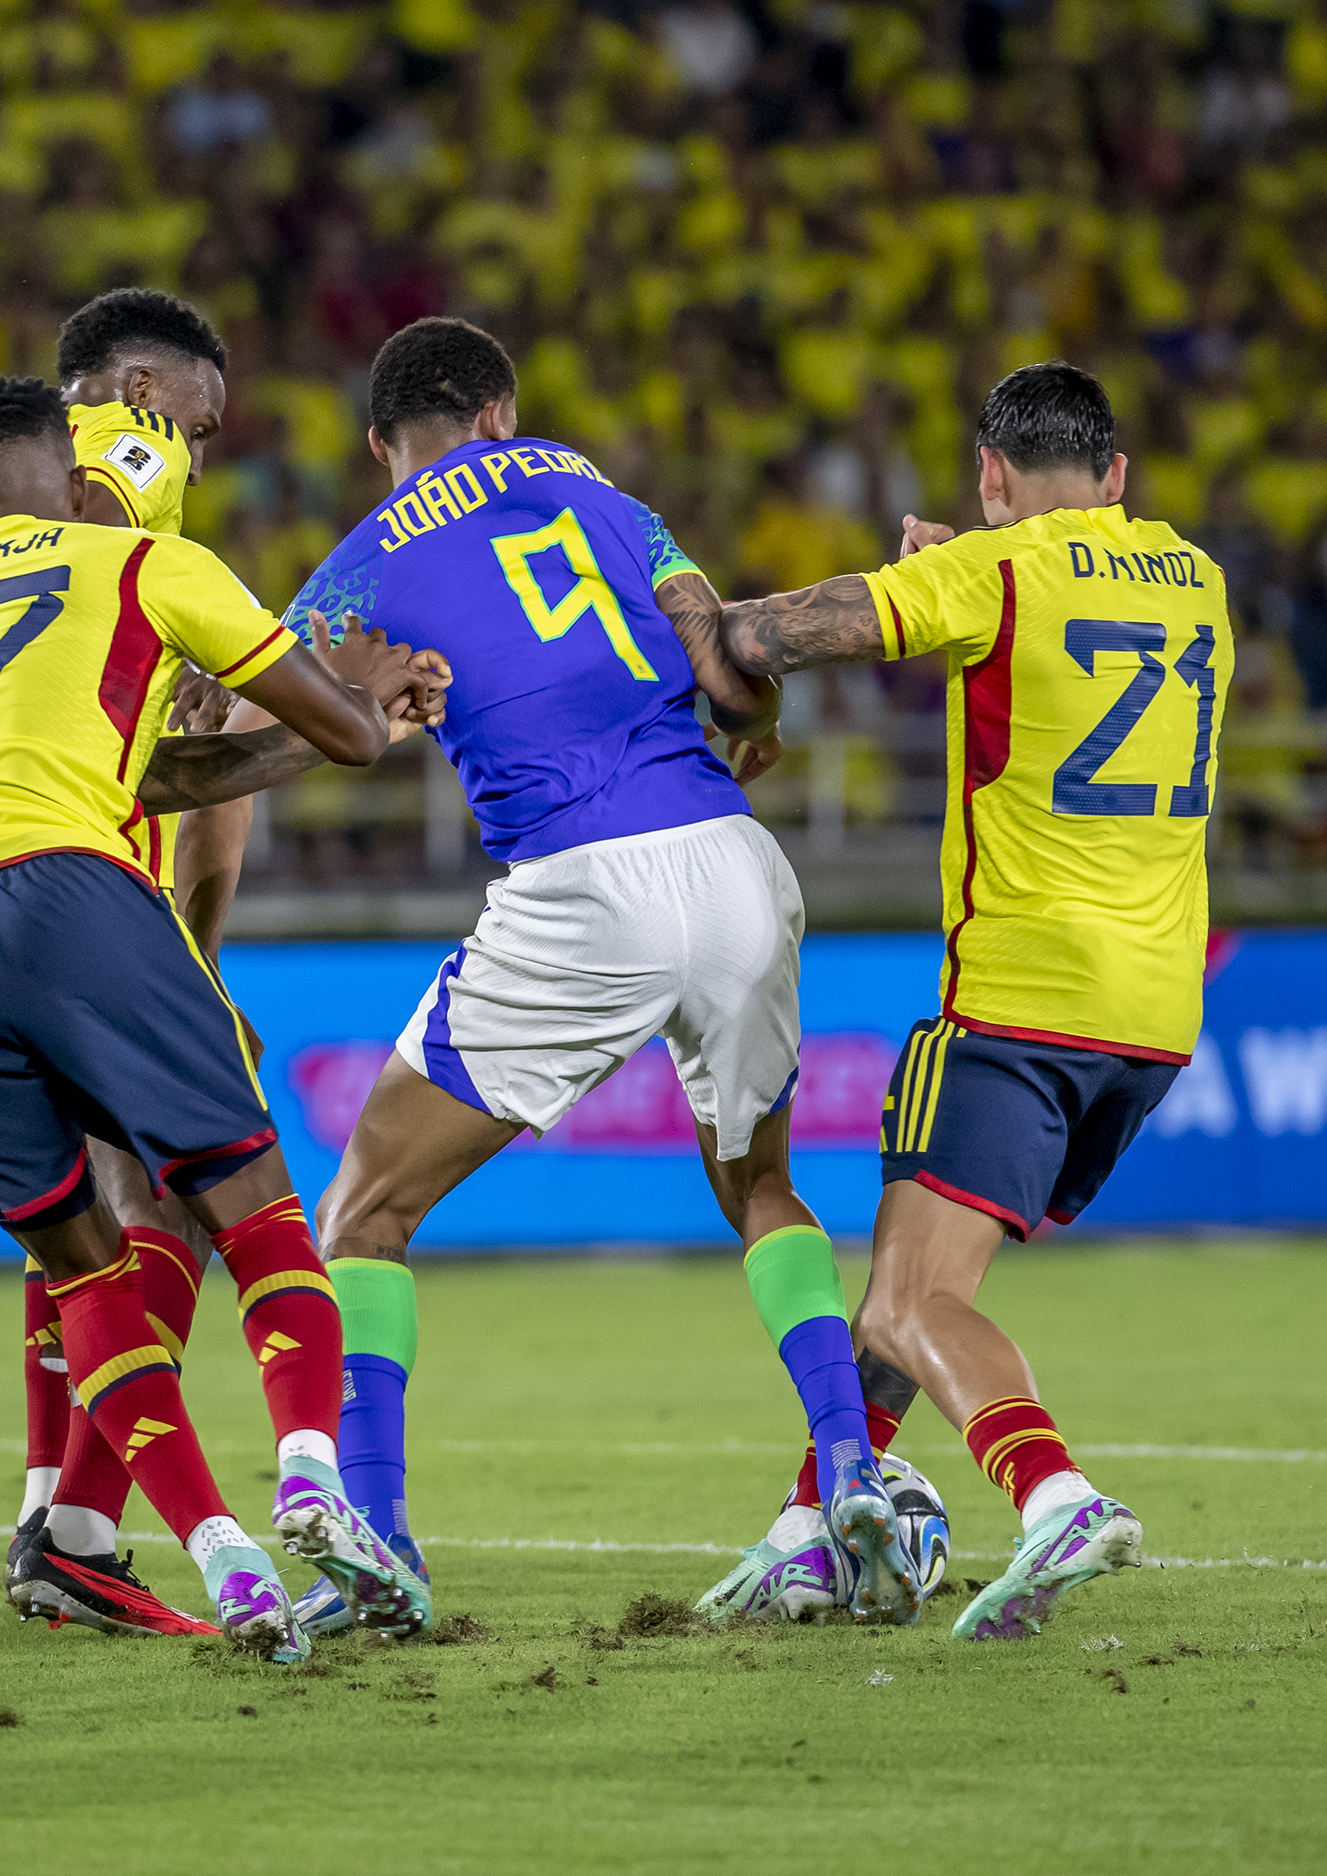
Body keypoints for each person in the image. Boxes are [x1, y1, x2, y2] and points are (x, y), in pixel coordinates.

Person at [272, 317, 925, 1633]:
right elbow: (734, 678)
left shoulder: (357, 566)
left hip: (580, 881)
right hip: (734, 861)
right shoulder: (610, 500)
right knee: (763, 1187)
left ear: (381, 443)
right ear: (502, 410)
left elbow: (270, 718)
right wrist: (768, 728)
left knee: (362, 1216)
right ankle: (850, 1465)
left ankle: (382, 1538)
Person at [0, 376, 439, 1661]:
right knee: (250, 1205)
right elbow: (334, 736)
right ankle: (307, 1476)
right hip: (70, 899)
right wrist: (369, 689)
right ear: (78, 471)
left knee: (77, 1264)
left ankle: (204, 1551)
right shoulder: (150, 558)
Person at [708, 361, 1232, 1641]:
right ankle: (810, 1524)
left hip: (1015, 999)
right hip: (1153, 1019)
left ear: (989, 475)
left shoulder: (984, 577)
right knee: (922, 1280)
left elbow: (760, 636)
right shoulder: (1196, 575)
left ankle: (1052, 1493)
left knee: (900, 1302)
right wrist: (964, 570)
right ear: (1114, 479)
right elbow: (1056, 623)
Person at [0, 290, 259, 1638]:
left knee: (72, 1223)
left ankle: (55, 1501)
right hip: (78, 856)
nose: (194, 455)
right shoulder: (128, 460)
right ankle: (85, 1523)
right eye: (199, 423)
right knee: (186, 1187)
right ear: (143, 386)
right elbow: (131, 648)